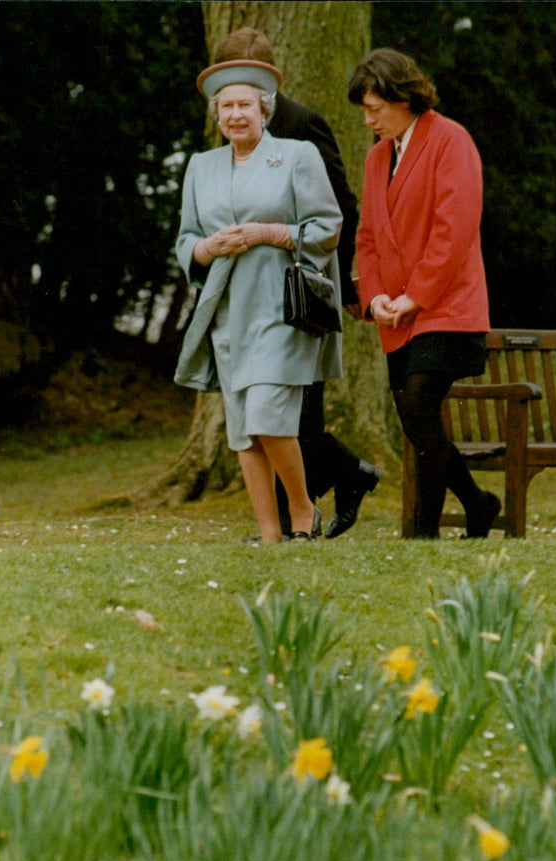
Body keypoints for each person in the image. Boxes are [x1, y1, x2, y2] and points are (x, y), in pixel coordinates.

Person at [212, 28, 381, 541]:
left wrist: (349, 287)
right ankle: (342, 480)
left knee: (296, 408)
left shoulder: (303, 124)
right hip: (246, 295)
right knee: (271, 410)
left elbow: (340, 206)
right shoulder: (229, 124)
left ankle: (297, 518)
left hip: (300, 287)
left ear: (268, 74)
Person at [174, 59, 342, 543]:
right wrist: (208, 248)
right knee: (244, 429)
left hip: (281, 306)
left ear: (264, 108)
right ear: (217, 114)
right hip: (227, 312)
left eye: (245, 104)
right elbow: (187, 239)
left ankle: (303, 509)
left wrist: (271, 233)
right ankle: (270, 533)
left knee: (269, 414)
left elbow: (327, 228)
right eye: (226, 106)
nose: (236, 114)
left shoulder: (296, 155)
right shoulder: (200, 167)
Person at [348, 48, 501, 540]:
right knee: (417, 421)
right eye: (364, 109)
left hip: (448, 306)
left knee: (417, 405)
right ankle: (477, 505)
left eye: (375, 107)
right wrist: (374, 300)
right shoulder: (377, 157)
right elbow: (368, 237)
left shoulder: (451, 139)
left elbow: (453, 230)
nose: (368, 118)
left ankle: (422, 534)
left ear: (404, 97)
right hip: (396, 314)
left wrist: (415, 296)